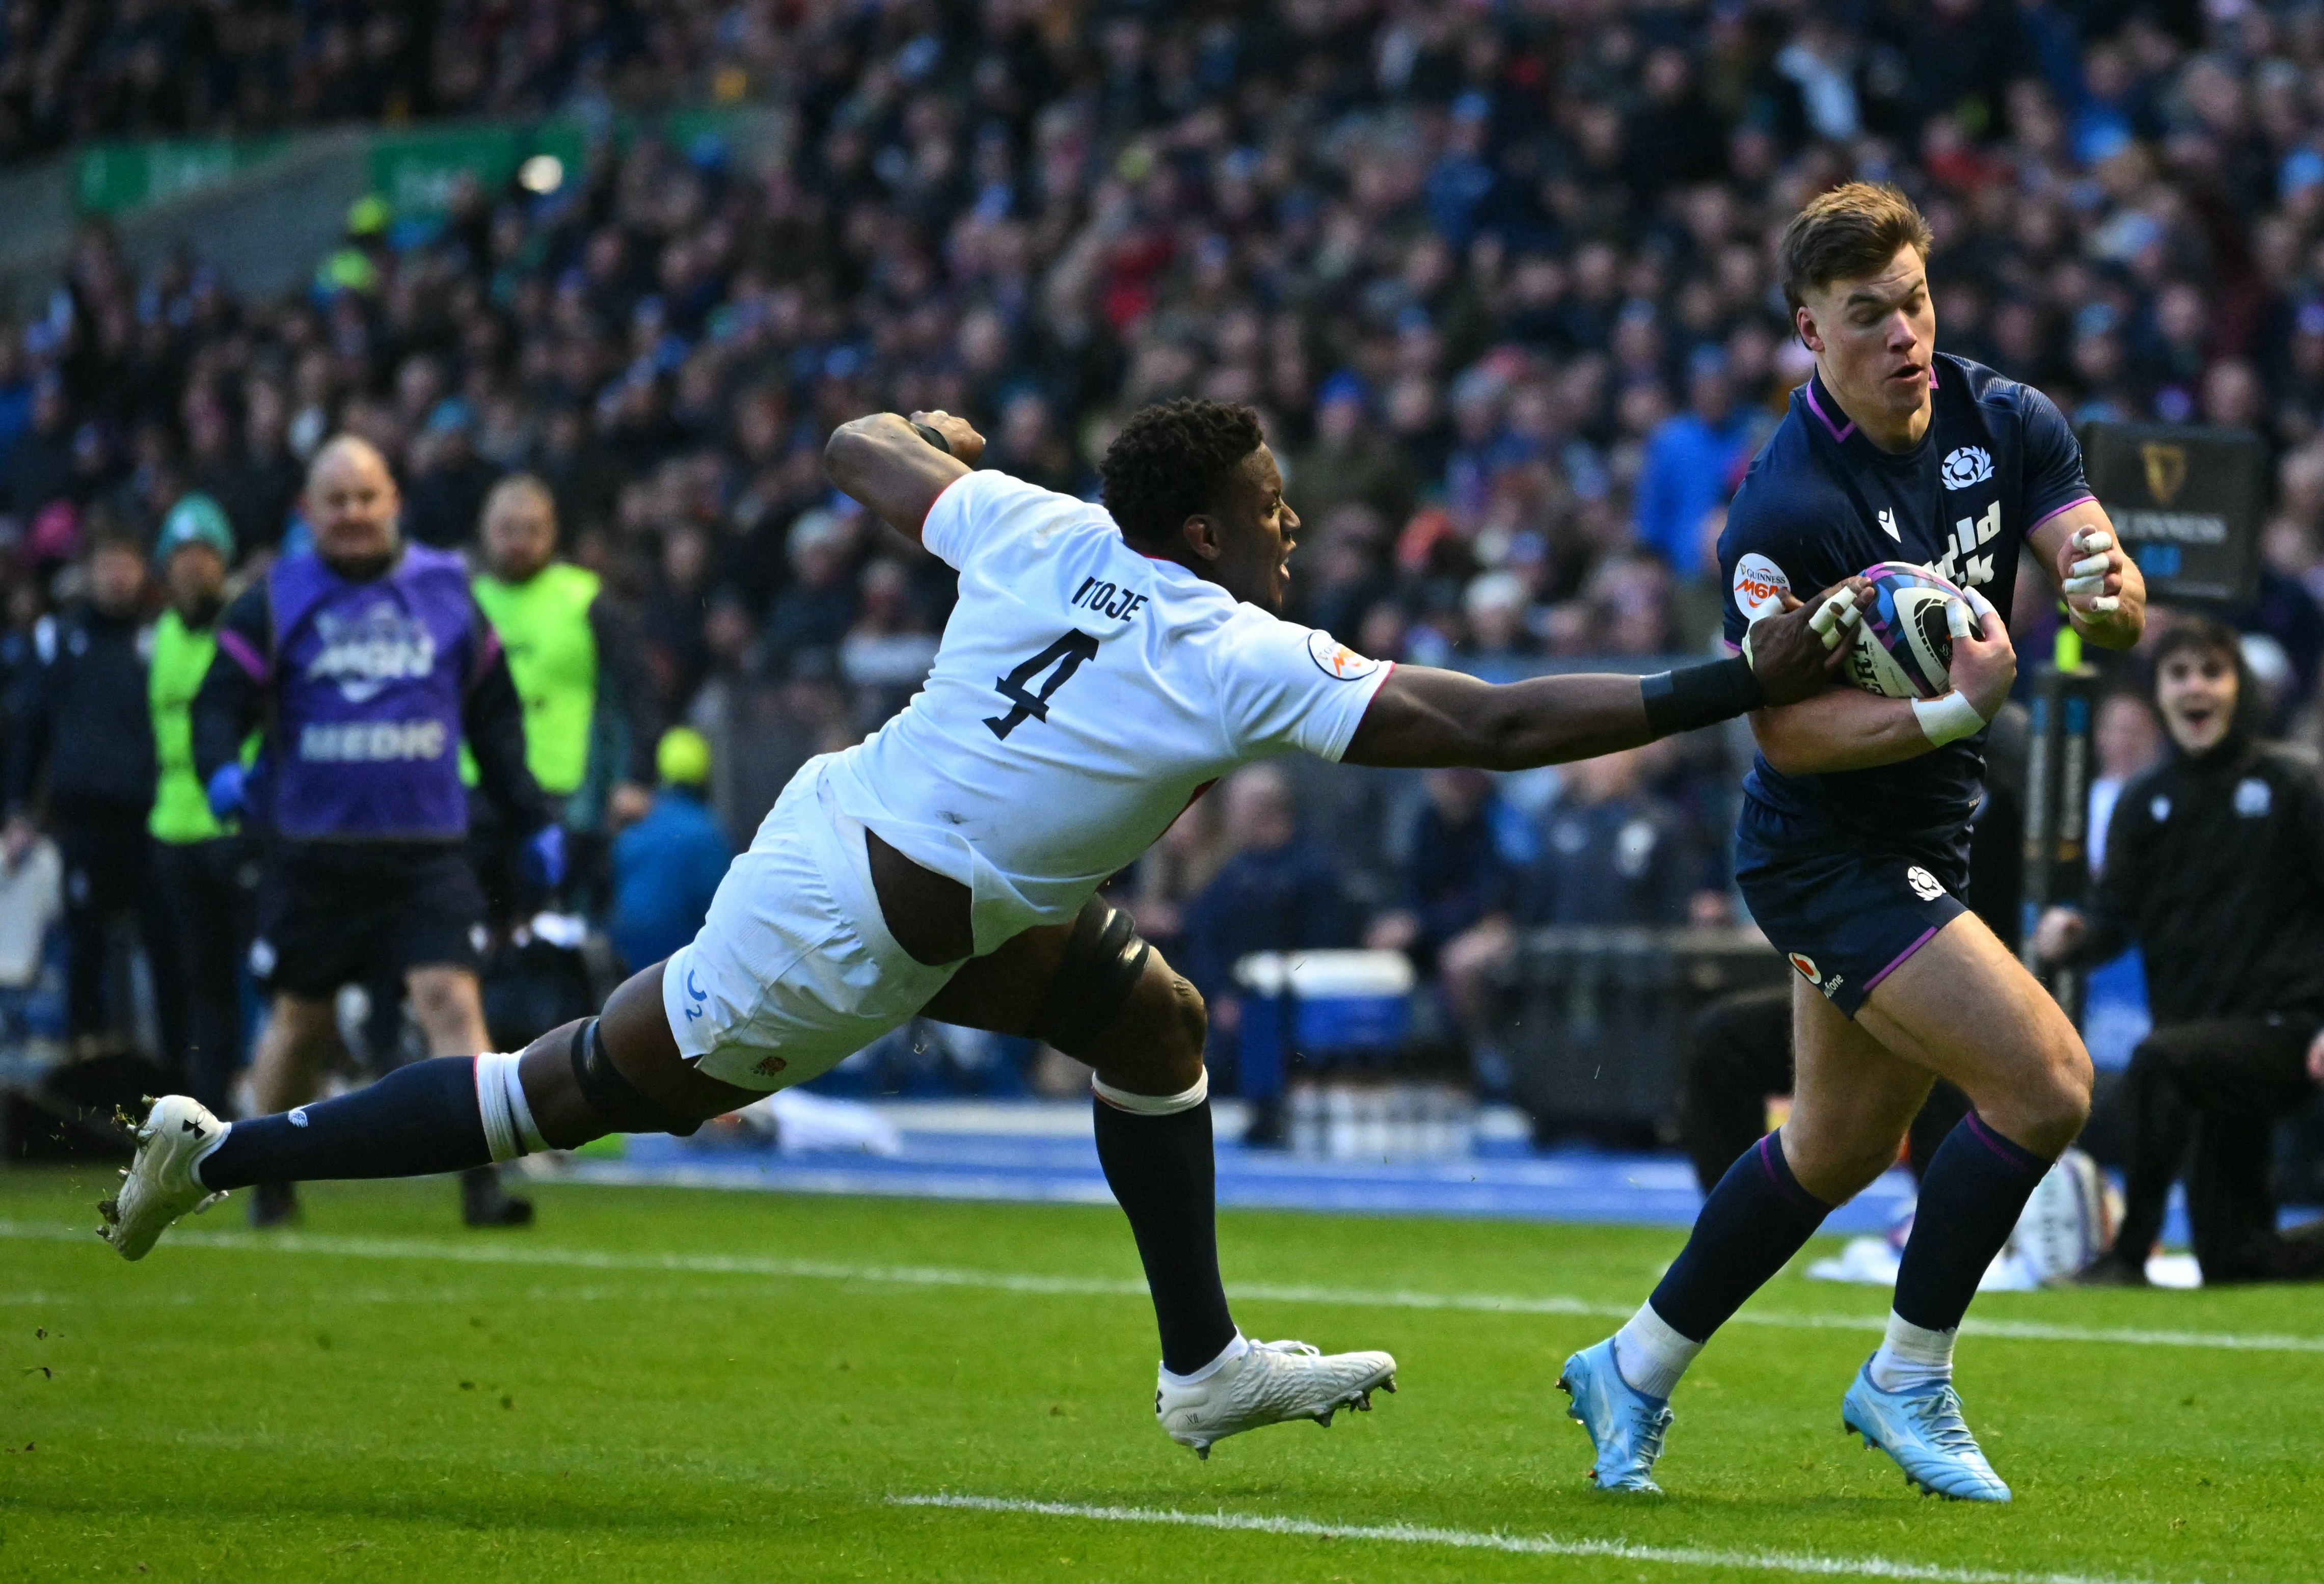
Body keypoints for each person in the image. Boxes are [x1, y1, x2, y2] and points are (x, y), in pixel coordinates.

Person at [103, 398, 1864, 1461]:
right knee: (567, 1087)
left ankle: (1203, 1366)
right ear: (1201, 527)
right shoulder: (1232, 648)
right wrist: (1734, 678)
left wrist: (940, 440)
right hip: (838, 928)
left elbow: (855, 442)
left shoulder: (1033, 525)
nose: (1295, 523)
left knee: (1154, 1021)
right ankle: (229, 1141)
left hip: (900, 848)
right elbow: (1483, 721)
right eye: (1271, 503)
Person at [1561, 183, 2146, 1503]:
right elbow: (1785, 738)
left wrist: (2108, 593)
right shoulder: (1783, 507)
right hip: (1825, 852)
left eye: (1916, 300)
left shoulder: (2006, 420)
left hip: (1932, 825)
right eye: (1866, 313)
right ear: (1806, 330)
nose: (1903, 333)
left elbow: (2099, 573)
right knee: (2047, 1083)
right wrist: (1954, 708)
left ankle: (1632, 1363)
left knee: (1829, 1147)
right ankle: (1906, 1375)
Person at [185, 435, 564, 1229]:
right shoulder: (275, 597)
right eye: (337, 501)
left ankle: (480, 1186)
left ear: (395, 501)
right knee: (300, 1023)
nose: (354, 515)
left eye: (367, 498)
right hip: (314, 852)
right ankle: (270, 1184)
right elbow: (217, 701)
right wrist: (219, 768)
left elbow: (493, 718)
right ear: (307, 512)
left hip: (427, 850)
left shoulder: (449, 592)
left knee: (451, 1001)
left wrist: (531, 815)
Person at [2034, 620, 2324, 1286]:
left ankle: (2128, 1253)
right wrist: (2073, 938)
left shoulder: (2293, 786)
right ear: (2159, 694)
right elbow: (2112, 918)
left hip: (2282, 1032)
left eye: (2210, 672)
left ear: (2238, 689)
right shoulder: (2144, 800)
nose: (2195, 686)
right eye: (2179, 673)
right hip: (2197, 1054)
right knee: (2238, 1261)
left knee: (2157, 1060)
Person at [4, 522, 161, 1058]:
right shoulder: (58, 640)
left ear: (143, 572)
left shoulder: (161, 640)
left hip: (155, 821)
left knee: (165, 948)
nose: (117, 576)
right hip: (84, 821)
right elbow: (30, 731)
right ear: (89, 571)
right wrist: (18, 810)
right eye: (107, 563)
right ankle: (84, 1068)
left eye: (127, 563)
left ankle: (169, 1072)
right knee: (85, 950)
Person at [467, 472, 652, 914]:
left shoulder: (586, 600)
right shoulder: (463, 602)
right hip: (474, 792)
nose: (519, 542)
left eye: (532, 530)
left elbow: (638, 696)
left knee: (554, 928)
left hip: (563, 798)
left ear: (552, 532)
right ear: (485, 530)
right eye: (507, 530)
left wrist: (635, 778)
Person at [145, 493, 258, 1112]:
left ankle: (270, 1097)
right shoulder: (159, 635)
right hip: (174, 832)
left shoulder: (244, 629)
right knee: (202, 982)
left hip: (236, 828)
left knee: (266, 976)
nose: (194, 567)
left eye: (205, 553)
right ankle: (205, 1110)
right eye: (183, 554)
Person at [606, 727, 732, 974]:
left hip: (630, 969)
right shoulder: (708, 834)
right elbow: (722, 909)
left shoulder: (635, 833)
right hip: (684, 970)